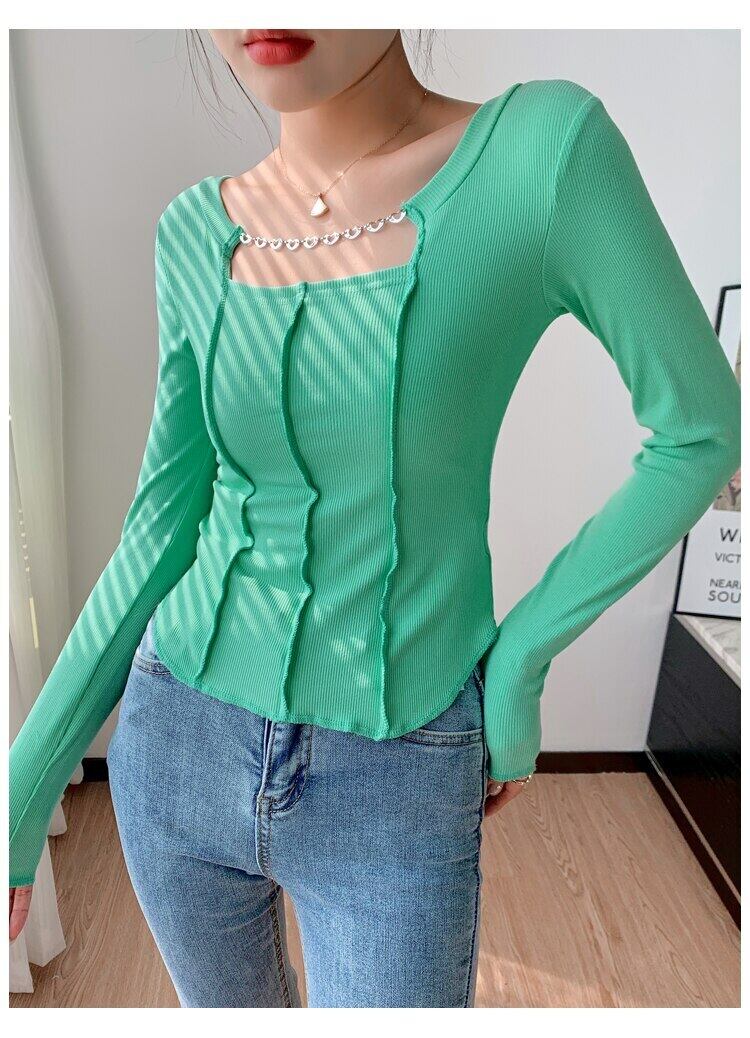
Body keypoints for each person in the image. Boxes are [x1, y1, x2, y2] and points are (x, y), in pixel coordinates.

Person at [9, 29, 741, 1008]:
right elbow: (162, 523)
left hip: (395, 777)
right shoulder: (194, 230)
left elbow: (700, 430)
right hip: (175, 744)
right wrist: (21, 791)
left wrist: (519, 661)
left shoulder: (542, 152)